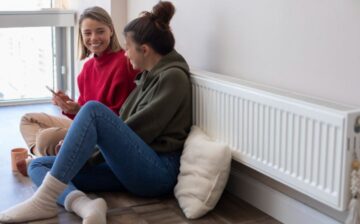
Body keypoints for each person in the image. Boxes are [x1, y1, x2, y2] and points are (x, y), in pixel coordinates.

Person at [0, 1, 191, 224]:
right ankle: (84, 205)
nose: (126, 54)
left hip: (156, 173)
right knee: (38, 165)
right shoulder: (150, 76)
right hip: (128, 167)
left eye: (128, 47)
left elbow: (138, 133)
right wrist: (77, 152)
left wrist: (85, 155)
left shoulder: (172, 78)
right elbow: (126, 130)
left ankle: (43, 201)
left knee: (92, 110)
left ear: (145, 49)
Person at [19, 6, 138, 159]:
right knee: (27, 120)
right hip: (85, 125)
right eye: (87, 33)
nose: (94, 38)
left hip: (103, 134)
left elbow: (121, 118)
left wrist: (79, 111)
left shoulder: (125, 63)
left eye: (100, 31)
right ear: (81, 36)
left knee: (44, 138)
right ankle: (41, 158)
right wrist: (69, 106)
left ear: (111, 31)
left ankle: (44, 159)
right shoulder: (87, 68)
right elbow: (81, 112)